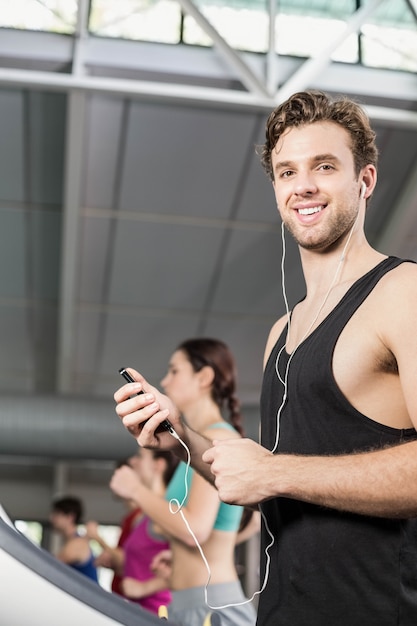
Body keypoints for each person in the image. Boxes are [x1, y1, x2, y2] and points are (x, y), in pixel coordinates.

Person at [113, 90, 417, 625]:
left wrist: (276, 473)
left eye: (324, 166)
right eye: (286, 171)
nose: (302, 185)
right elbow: (270, 488)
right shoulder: (282, 331)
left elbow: (280, 475)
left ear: (365, 180)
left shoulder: (403, 292)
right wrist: (184, 435)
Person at [110, 338, 257, 626]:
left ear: (204, 377)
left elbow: (196, 530)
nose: (165, 381)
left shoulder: (221, 439)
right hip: (186, 602)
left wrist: (136, 491)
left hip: (211, 606)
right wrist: (180, 556)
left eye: (174, 371)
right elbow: (240, 525)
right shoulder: (190, 448)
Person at [111, 448, 178, 614]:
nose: (133, 462)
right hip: (138, 611)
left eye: (140, 456)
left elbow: (192, 566)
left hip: (159, 611)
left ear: (158, 465)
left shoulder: (168, 511)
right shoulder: (142, 517)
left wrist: (144, 587)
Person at [86, 458, 143, 598]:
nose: (114, 481)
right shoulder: (129, 518)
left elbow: (125, 563)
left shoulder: (139, 517)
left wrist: (97, 538)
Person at [49, 495, 99, 583]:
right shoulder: (73, 541)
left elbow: (49, 567)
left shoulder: (77, 544)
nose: (52, 518)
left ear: (70, 517)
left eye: (57, 514)